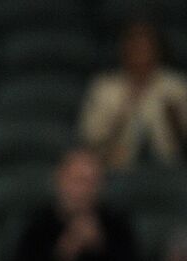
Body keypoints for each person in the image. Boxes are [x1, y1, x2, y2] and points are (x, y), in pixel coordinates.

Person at [11, 148, 140, 261]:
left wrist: (99, 247)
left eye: (92, 182)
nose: (84, 190)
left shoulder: (116, 226)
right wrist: (62, 253)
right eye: (78, 180)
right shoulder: (37, 225)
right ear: (60, 179)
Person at [80, 20, 187, 170]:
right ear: (124, 49)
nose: (140, 52)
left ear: (158, 50)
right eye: (134, 45)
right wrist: (120, 118)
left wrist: (175, 122)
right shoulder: (105, 88)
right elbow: (90, 140)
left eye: (146, 46)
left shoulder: (177, 87)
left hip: (170, 169)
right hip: (114, 169)